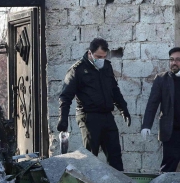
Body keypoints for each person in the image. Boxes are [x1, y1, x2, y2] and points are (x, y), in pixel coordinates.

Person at [56, 38, 131, 170]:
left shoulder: (107, 67)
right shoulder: (77, 70)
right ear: (90, 53)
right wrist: (63, 119)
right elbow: (65, 97)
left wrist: (123, 108)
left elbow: (114, 90)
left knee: (115, 156)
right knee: (90, 157)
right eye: (98, 56)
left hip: (107, 116)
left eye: (103, 56)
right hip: (88, 117)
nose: (101, 59)